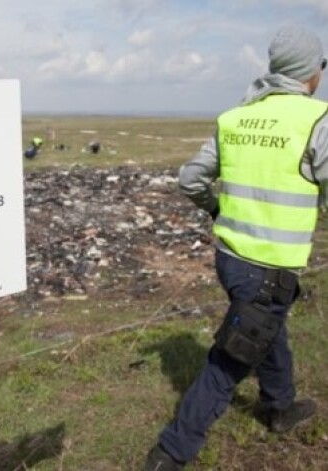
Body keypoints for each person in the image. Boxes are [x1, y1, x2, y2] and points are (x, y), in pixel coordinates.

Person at [145, 26, 328, 470]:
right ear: (311, 72)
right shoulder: (317, 121)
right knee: (229, 361)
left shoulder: (236, 117)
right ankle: (170, 452)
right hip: (270, 267)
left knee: (267, 328)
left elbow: (191, 180)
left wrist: (218, 209)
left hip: (230, 260)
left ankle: (281, 406)